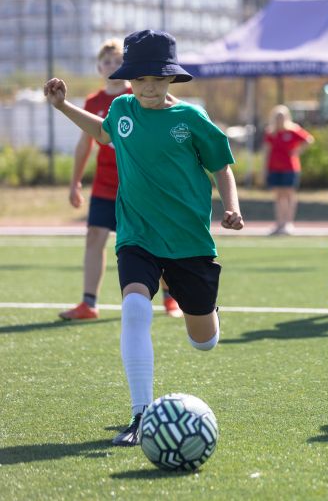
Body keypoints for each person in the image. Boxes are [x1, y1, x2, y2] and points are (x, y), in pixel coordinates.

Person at [44, 29, 244, 445]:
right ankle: (140, 415)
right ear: (128, 79)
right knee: (135, 308)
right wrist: (63, 106)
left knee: (203, 342)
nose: (148, 88)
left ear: (171, 79)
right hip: (137, 235)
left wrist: (232, 206)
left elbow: (222, 166)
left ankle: (208, 314)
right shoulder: (121, 109)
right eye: (141, 80)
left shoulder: (190, 119)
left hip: (189, 243)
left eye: (157, 79)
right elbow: (102, 133)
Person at [60, 38, 183, 320]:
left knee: (153, 243)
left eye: (118, 61)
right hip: (105, 187)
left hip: (141, 187)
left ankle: (170, 296)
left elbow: (175, 110)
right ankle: (88, 303)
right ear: (99, 67)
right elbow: (86, 143)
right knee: (94, 237)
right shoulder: (93, 101)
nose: (112, 66)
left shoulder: (141, 92)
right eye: (107, 61)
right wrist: (75, 182)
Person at [263, 104, 314, 235]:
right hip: (274, 168)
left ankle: (288, 223)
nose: (280, 119)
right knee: (278, 196)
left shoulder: (293, 130)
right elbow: (267, 152)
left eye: (282, 116)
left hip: (290, 168)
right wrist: (265, 169)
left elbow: (309, 139)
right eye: (277, 117)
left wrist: (297, 150)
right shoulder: (270, 132)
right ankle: (279, 223)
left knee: (289, 195)